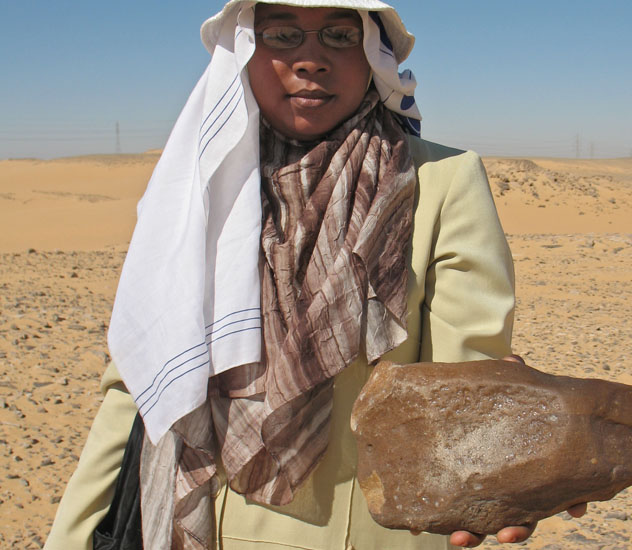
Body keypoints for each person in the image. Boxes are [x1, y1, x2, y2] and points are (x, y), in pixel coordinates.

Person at [45, 1, 585, 549]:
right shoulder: (197, 187)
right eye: (281, 35)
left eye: (339, 35)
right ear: (245, 49)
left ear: (373, 53)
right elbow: (140, 385)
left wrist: (522, 451)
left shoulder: (442, 181)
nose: (310, 59)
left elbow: (463, 392)